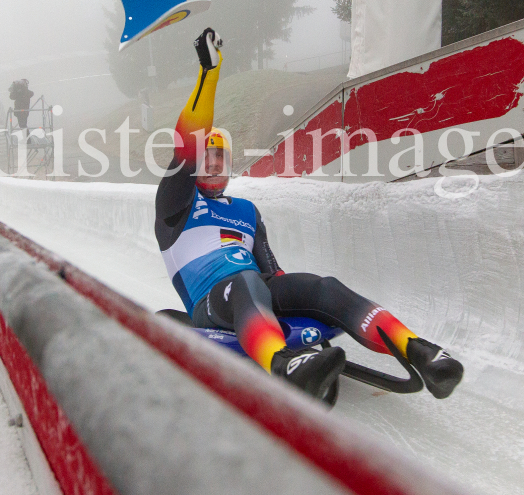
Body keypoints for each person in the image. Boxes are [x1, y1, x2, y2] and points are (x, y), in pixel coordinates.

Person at [155, 29, 464, 400]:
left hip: (257, 289)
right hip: (212, 302)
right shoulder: (177, 207)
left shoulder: (246, 211)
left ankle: (419, 351)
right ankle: (285, 365)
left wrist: (296, 296)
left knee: (323, 287)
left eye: (220, 157)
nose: (213, 163)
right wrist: (210, 72)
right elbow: (187, 142)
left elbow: (271, 268)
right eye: (206, 156)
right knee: (247, 284)